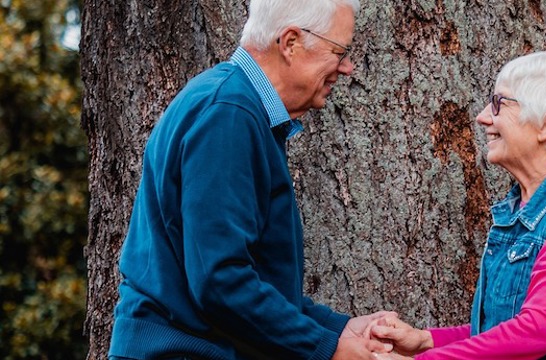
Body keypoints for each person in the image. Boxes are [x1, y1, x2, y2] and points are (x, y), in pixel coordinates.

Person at [107, 0, 396, 359]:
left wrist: (337, 329)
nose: (348, 67)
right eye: (339, 51)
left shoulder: (234, 105)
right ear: (290, 43)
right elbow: (220, 282)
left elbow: (248, 277)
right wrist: (327, 349)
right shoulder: (228, 115)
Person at [368, 52, 546, 359]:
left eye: (500, 103)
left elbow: (540, 329)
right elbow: (505, 328)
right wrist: (427, 341)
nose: (483, 116)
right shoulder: (526, 206)